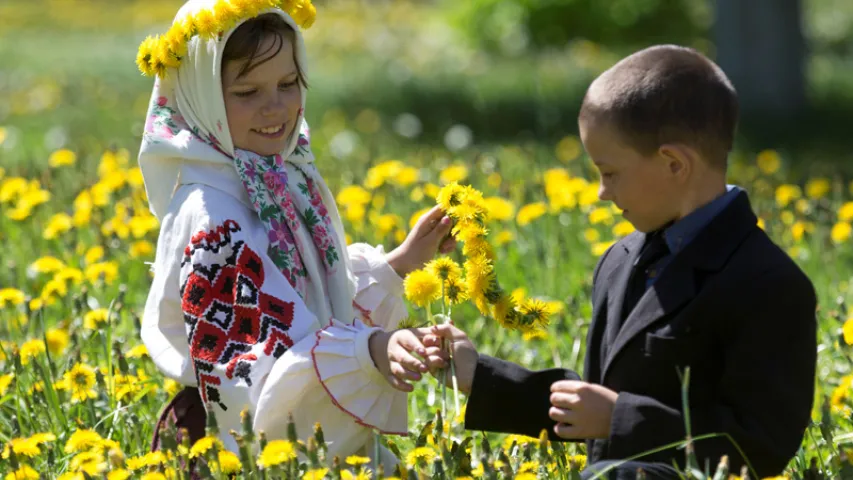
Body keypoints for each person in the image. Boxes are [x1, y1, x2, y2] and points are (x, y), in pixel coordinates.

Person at [420, 45, 818, 479]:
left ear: (674, 163)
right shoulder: (620, 260)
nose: (601, 193)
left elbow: (763, 444)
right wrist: (481, 377)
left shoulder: (767, 283)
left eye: (609, 173)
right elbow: (591, 405)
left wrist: (620, 420)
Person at [137, 0, 447, 472]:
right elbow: (252, 360)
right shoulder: (210, 213)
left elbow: (310, 300)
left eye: (288, 83)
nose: (275, 106)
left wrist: (397, 264)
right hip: (236, 447)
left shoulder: (278, 177)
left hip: (304, 440)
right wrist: (369, 351)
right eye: (247, 91)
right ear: (199, 94)